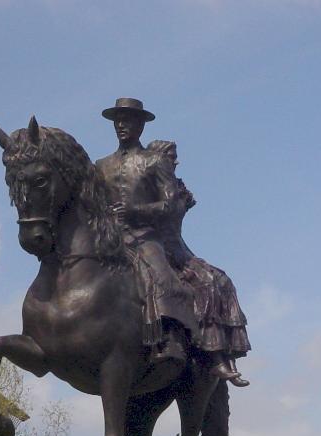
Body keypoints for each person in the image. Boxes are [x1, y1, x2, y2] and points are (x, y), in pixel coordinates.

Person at [96, 98, 198, 364]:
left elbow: (171, 204)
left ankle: (169, 337)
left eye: (127, 120)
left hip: (143, 236)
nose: (121, 125)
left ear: (140, 126)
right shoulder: (100, 165)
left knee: (160, 274)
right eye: (117, 120)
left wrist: (135, 210)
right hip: (109, 237)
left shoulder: (154, 161)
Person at [147, 139, 251, 387]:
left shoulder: (176, 187)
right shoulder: (149, 189)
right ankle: (211, 353)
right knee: (206, 282)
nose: (176, 161)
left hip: (181, 248)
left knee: (222, 280)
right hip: (161, 250)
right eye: (171, 156)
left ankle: (227, 355)